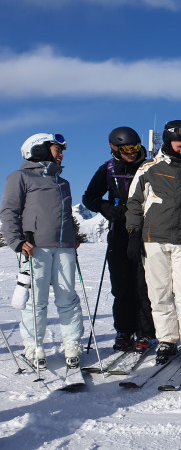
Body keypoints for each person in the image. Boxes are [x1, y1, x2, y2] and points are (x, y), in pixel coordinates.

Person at [125, 120, 181, 366]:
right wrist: (133, 234)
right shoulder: (148, 169)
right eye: (179, 146)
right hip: (153, 240)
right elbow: (134, 203)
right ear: (167, 142)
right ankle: (166, 340)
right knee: (159, 292)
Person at [0, 133, 84, 369]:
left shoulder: (62, 182)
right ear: (40, 150)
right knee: (36, 300)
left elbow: (64, 216)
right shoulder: (20, 177)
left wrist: (72, 237)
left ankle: (72, 343)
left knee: (67, 297)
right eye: (58, 149)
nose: (62, 155)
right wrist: (15, 241)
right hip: (34, 247)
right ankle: (33, 347)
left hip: (64, 248)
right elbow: (9, 211)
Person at [82, 127, 155, 352]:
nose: (132, 153)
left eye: (135, 147)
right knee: (121, 283)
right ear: (114, 148)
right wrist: (104, 207)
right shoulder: (109, 169)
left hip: (146, 230)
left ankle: (144, 332)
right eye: (127, 149)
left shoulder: (150, 167)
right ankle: (124, 330)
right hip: (119, 232)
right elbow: (89, 197)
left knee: (144, 284)